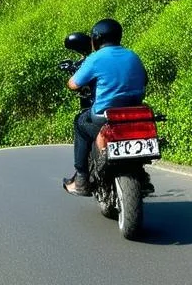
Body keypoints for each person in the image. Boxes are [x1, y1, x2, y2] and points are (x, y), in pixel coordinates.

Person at [63, 17, 147, 196]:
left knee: (80, 122)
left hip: (105, 115)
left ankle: (81, 179)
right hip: (135, 113)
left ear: (97, 39)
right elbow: (144, 79)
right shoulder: (132, 55)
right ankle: (141, 173)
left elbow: (73, 84)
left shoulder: (95, 59)